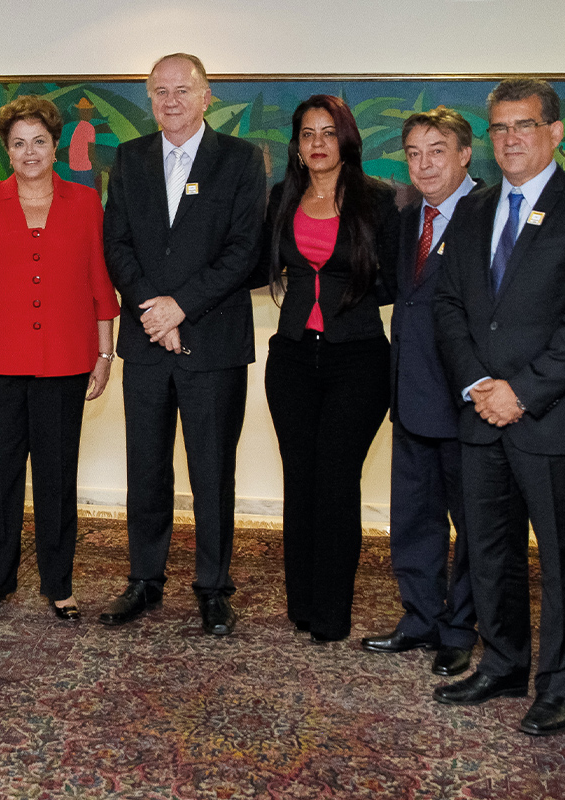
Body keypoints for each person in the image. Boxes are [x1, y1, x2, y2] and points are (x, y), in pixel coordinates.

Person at [432, 78, 565, 735]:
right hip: (480, 414)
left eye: (524, 126)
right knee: (488, 551)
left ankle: (563, 681)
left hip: (553, 417)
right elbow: (450, 307)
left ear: (555, 132)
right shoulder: (473, 209)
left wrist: (524, 390)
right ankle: (505, 662)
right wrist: (479, 386)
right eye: (500, 128)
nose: (511, 139)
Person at [100, 53, 265, 636]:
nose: (170, 101)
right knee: (145, 469)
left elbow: (245, 250)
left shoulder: (242, 160)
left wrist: (180, 308)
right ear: (150, 99)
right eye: (159, 92)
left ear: (206, 95)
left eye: (182, 90)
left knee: (212, 470)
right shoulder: (129, 158)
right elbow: (115, 242)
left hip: (212, 343)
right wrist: (153, 310)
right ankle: (144, 582)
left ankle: (214, 587)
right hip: (147, 344)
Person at [0, 95, 118, 620]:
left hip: (66, 360)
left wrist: (105, 352)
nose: (29, 152)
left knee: (57, 476)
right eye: (18, 143)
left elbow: (99, 284)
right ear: (7, 150)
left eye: (38, 141)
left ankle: (58, 584)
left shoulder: (85, 203)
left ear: (56, 144)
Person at [251, 95, 398, 643]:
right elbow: (257, 266)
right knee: (300, 480)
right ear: (297, 145)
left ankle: (333, 612)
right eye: (307, 133)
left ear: (346, 141)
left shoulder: (377, 200)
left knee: (336, 482)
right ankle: (303, 604)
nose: (317, 143)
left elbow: (397, 282)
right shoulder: (281, 198)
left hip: (357, 359)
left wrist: (346, 297)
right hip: (291, 357)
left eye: (328, 133)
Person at [361, 108, 479, 673]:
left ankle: (460, 628)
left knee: (474, 524)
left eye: (437, 150)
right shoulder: (408, 217)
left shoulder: (488, 214)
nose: (424, 163)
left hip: (468, 399)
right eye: (413, 153)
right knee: (413, 516)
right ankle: (420, 617)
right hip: (408, 393)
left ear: (464, 153)